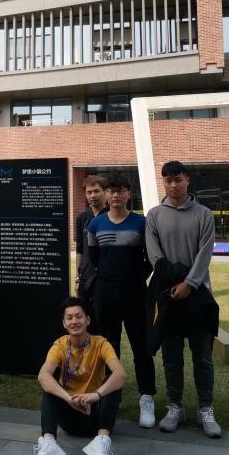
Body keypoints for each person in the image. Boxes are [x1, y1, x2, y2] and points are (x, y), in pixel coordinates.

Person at [145, 160, 222, 438]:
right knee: (171, 357)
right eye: (168, 180)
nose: (173, 185)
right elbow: (154, 254)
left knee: (202, 357)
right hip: (169, 296)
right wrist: (173, 283)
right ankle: (175, 406)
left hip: (198, 295)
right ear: (163, 183)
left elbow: (205, 252)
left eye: (178, 179)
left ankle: (205, 408)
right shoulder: (154, 215)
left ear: (187, 180)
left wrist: (190, 283)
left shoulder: (203, 214)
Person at [27, 297, 126, 455]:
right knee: (49, 385)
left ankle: (101, 442)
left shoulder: (101, 344)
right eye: (70, 318)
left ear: (88, 320)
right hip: (69, 416)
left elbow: (121, 374)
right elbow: (43, 376)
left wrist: (95, 395)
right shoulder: (59, 346)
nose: (74, 321)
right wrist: (68, 399)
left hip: (95, 415)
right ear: (64, 323)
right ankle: (49, 444)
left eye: (79, 316)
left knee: (113, 382)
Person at [87, 172, 156, 429]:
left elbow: (151, 258)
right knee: (108, 346)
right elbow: (94, 258)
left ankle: (147, 396)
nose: (115, 195)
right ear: (106, 194)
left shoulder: (141, 223)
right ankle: (111, 396)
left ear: (128, 193)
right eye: (111, 191)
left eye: (121, 190)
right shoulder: (96, 224)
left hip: (135, 292)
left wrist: (136, 277)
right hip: (105, 292)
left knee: (141, 346)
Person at [74, 175, 108, 331]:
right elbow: (79, 249)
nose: (93, 195)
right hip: (85, 279)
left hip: (104, 278)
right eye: (89, 192)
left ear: (104, 192)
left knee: (105, 323)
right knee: (87, 324)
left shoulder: (111, 215)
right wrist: (77, 278)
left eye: (96, 191)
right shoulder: (82, 218)